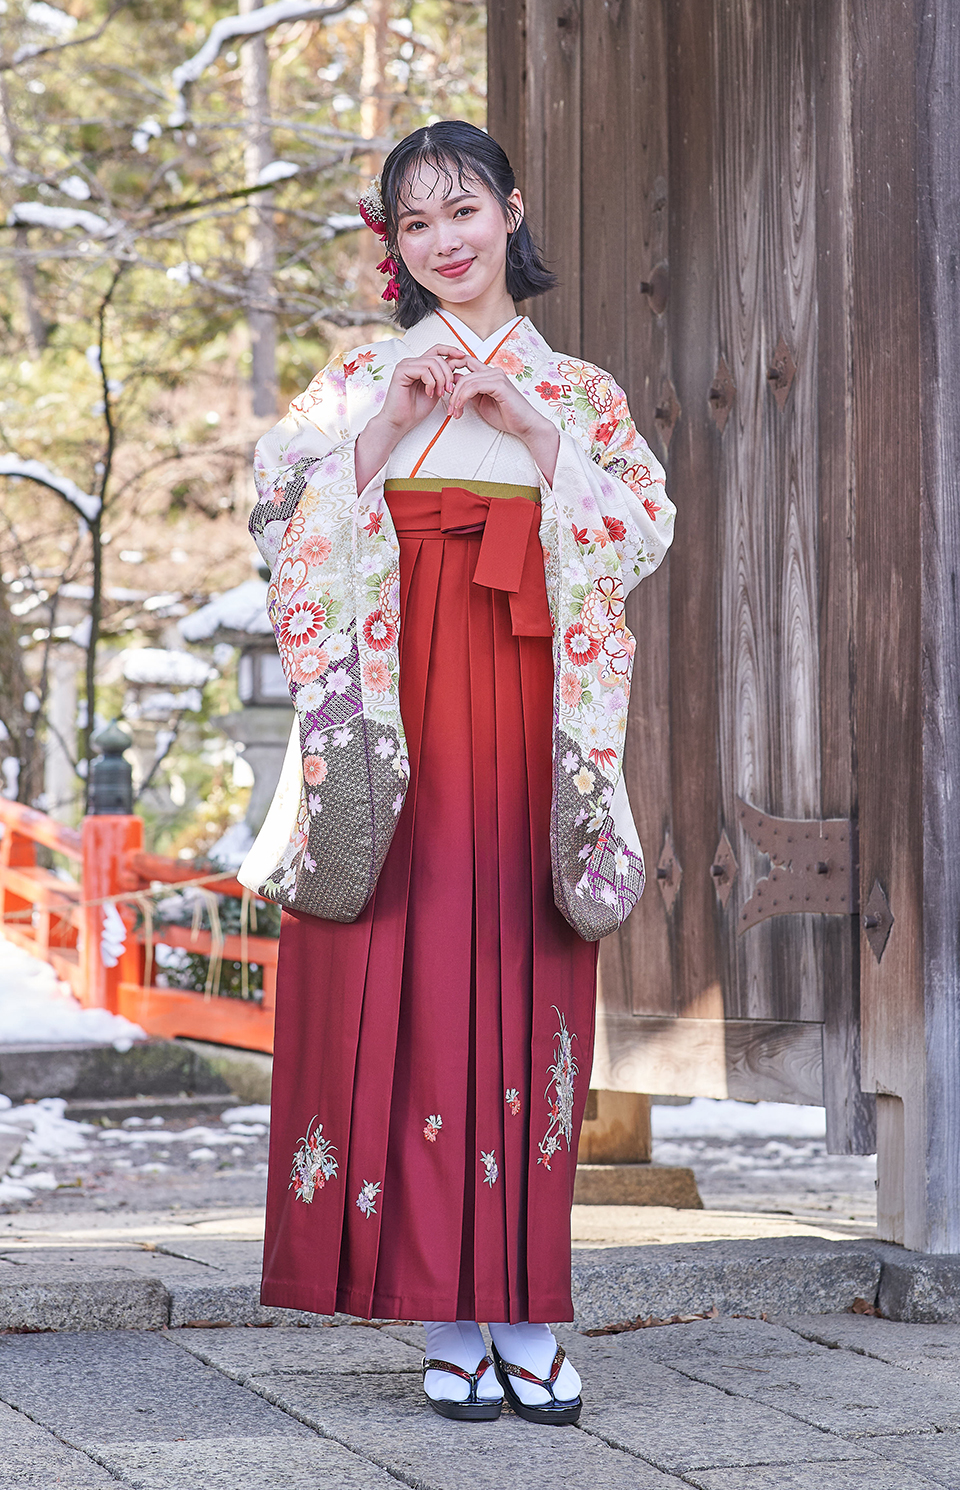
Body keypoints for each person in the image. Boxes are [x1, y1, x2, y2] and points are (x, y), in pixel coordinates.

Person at [242, 119, 675, 1424]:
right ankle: (446, 1305)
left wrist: (538, 439)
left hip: (530, 700)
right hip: (398, 704)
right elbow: (278, 517)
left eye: (463, 210)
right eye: (415, 222)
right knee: (416, 979)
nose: (443, 239)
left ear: (511, 212)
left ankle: (529, 1303)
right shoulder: (356, 380)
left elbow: (642, 526)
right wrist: (379, 432)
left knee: (529, 974)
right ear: (398, 245)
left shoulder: (580, 388)